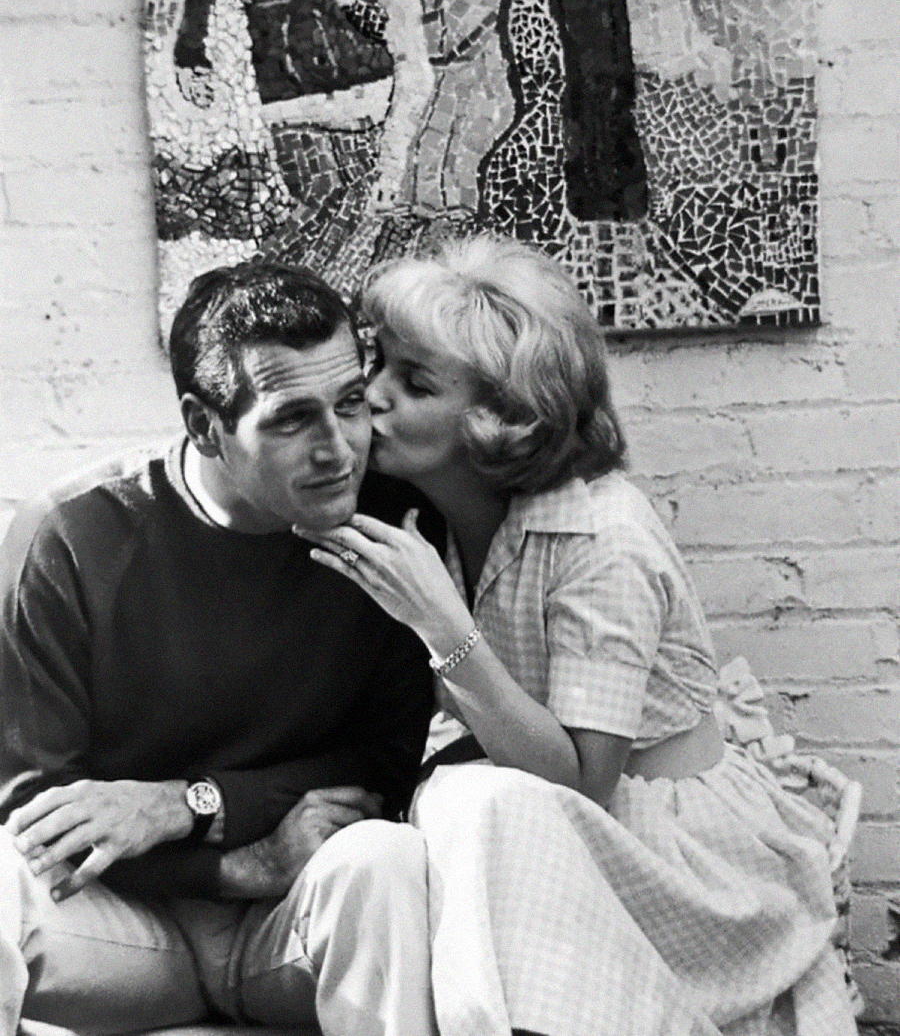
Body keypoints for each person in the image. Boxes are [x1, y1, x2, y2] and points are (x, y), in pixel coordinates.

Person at [304, 234, 860, 1036]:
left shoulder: (603, 539)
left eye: (414, 381)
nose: (374, 394)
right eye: (378, 362)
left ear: (501, 419)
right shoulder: (427, 514)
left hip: (669, 851)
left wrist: (441, 623)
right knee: (447, 815)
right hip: (541, 827)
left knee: (471, 801)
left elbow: (581, 780)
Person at [0, 262, 441, 1036]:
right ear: (204, 424)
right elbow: (38, 812)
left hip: (294, 913)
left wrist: (187, 805)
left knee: (388, 860)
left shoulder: (394, 529)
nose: (339, 449)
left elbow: (390, 763)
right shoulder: (73, 536)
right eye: (291, 419)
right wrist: (235, 862)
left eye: (348, 404)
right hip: (127, 928)